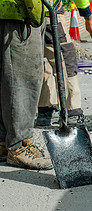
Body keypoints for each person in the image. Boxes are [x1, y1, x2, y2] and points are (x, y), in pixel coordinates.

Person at [0, 0, 53, 170]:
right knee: (22, 81)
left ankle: (4, 141)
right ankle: (18, 146)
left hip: (7, 13)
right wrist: (35, 11)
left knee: (6, 80)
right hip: (21, 15)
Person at [36, 1, 92, 131]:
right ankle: (73, 114)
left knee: (46, 60)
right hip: (51, 15)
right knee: (66, 59)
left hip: (31, 17)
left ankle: (45, 111)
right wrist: (88, 17)